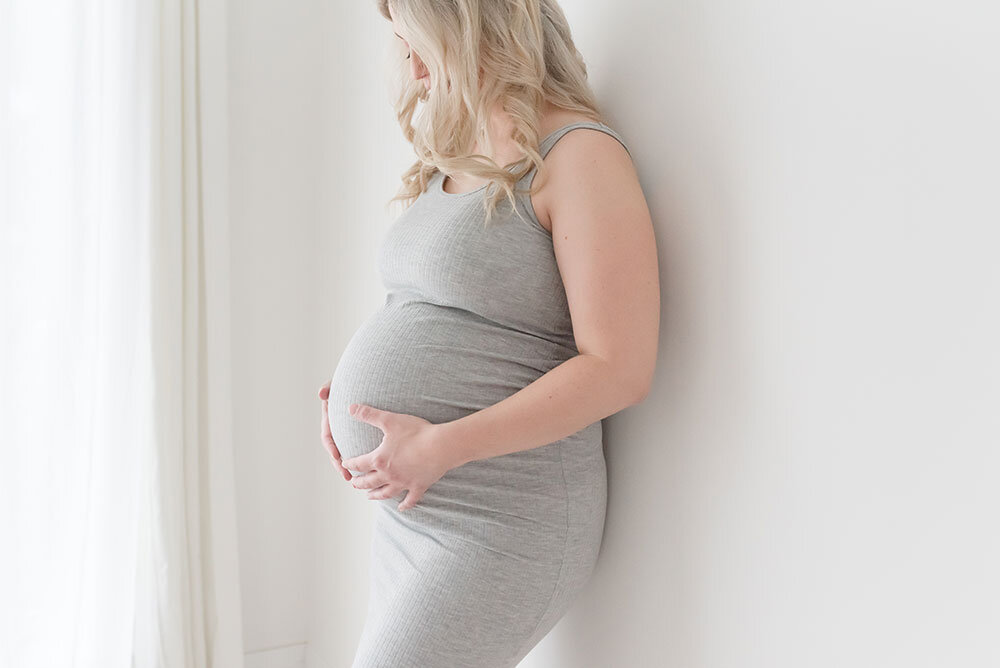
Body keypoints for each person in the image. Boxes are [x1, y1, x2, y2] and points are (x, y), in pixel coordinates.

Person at [318, 1, 659, 665]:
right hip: (414, 509)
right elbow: (432, 310)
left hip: (503, 516)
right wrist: (347, 404)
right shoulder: (459, 154)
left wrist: (445, 442)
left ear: (479, 30)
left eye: (422, 44)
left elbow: (620, 364)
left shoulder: (579, 156)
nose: (413, 69)